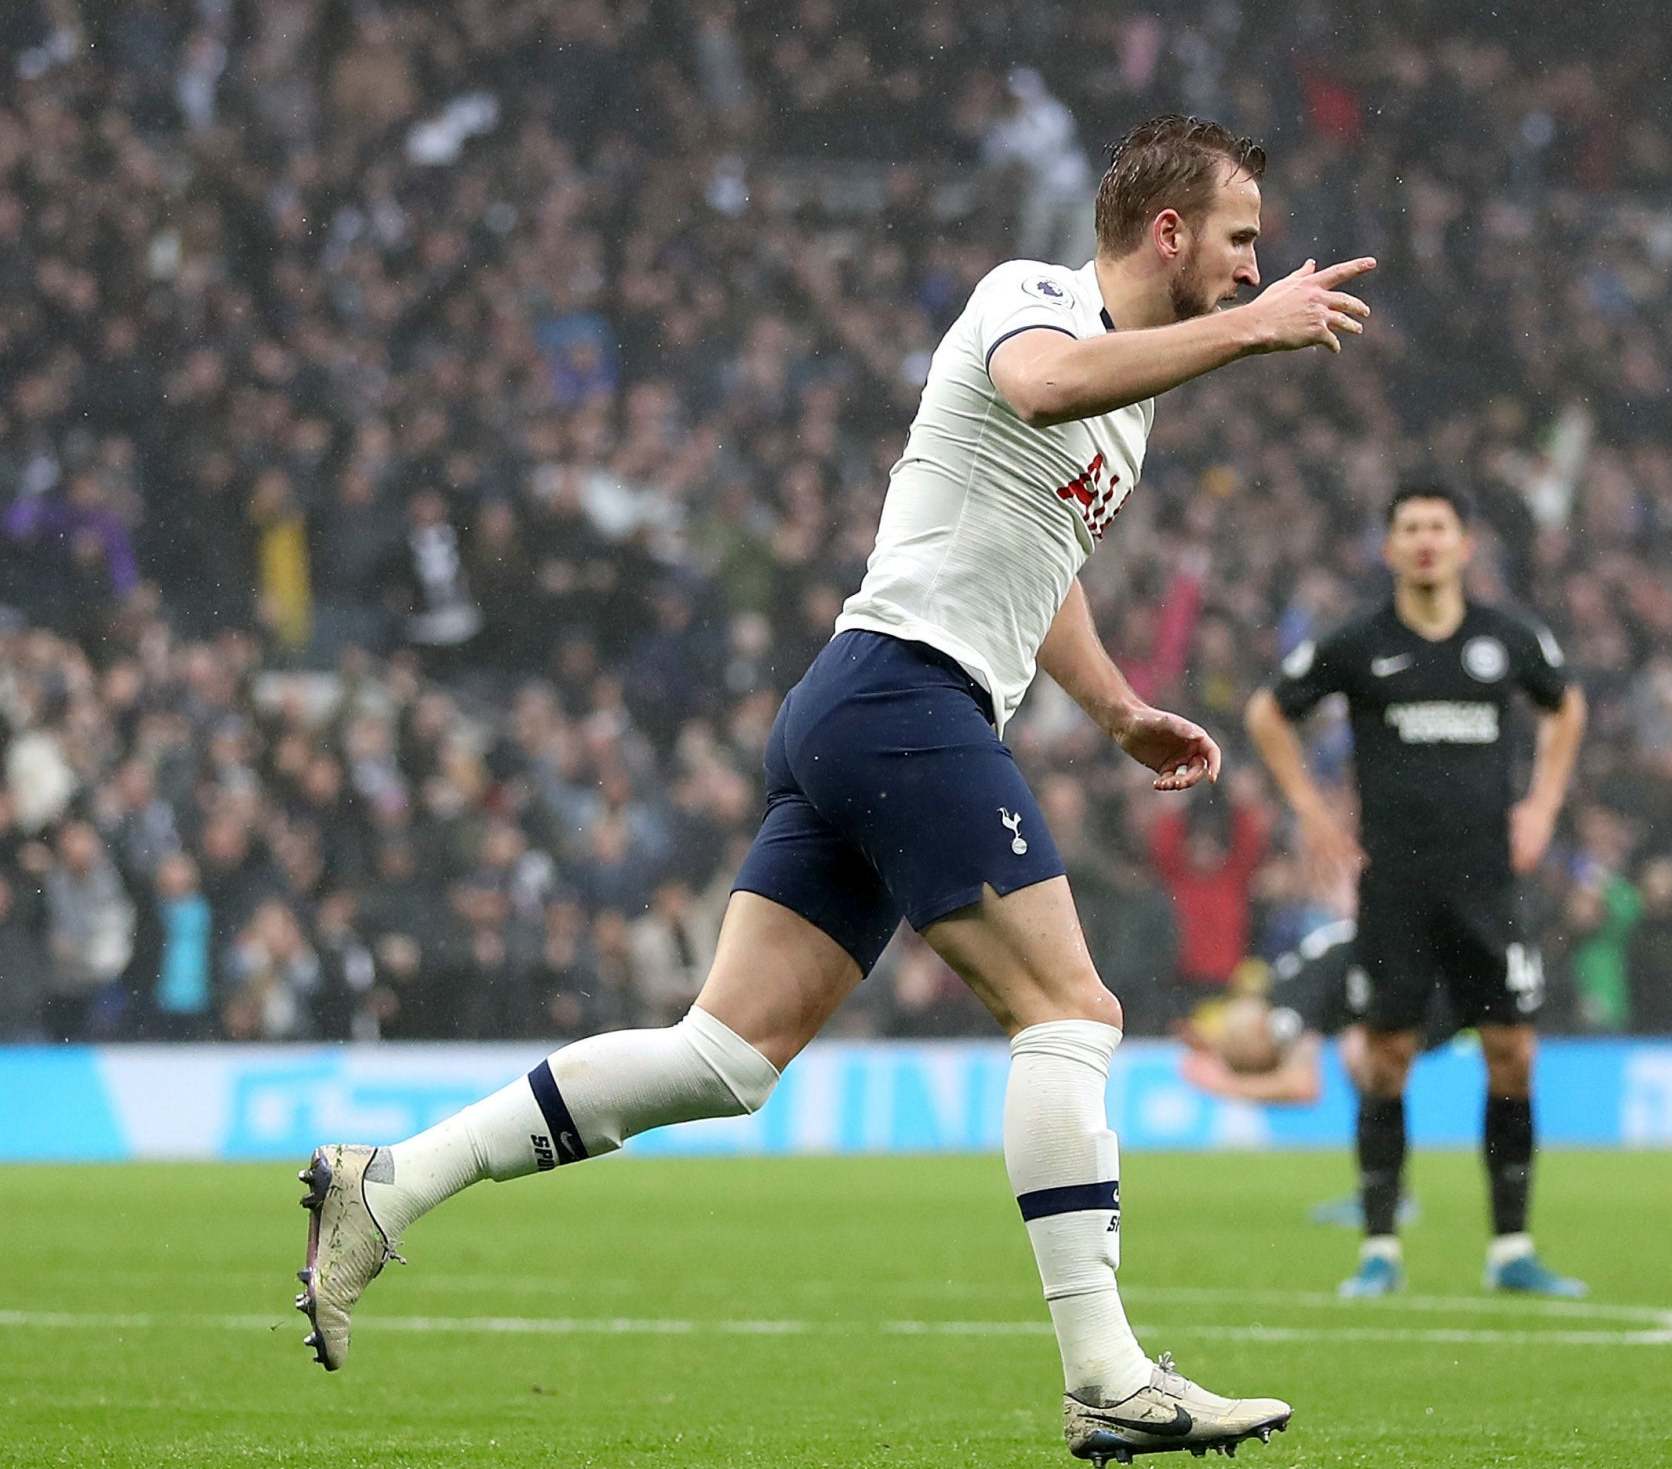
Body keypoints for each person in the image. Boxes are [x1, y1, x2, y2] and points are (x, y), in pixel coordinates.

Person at [294, 113, 1374, 1466]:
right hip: (900, 698)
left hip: (867, 706)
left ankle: (391, 1184)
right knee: (1070, 1008)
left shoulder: (1132, 390)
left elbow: (1040, 557)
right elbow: (1039, 388)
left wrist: (1114, 710)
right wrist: (1248, 329)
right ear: (1167, 232)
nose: (1248, 267)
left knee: (723, 1057)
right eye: (1236, 242)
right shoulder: (1030, 302)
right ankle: (1103, 1372)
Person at [1243, 484, 1587, 1299]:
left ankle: (1511, 1248)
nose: (1425, 541)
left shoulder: (1505, 639)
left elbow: (1565, 705)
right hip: (1394, 884)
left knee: (1512, 1054)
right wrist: (1310, 810)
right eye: (1409, 528)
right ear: (1389, 547)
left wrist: (1539, 804)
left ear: (1465, 545)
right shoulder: (1361, 642)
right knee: (1384, 1059)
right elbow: (1267, 711)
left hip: (1487, 886)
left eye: (1438, 527)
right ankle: (1379, 1249)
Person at [1177, 918, 1452, 1228]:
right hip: (1427, 967)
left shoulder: (1286, 995)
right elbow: (1303, 1083)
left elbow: (1302, 1087)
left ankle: (1388, 1195)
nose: (1229, 1022)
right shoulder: (1286, 1003)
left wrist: (1224, 1084)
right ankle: (1385, 1192)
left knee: (1359, 1051)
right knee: (1359, 1049)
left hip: (1428, 969)